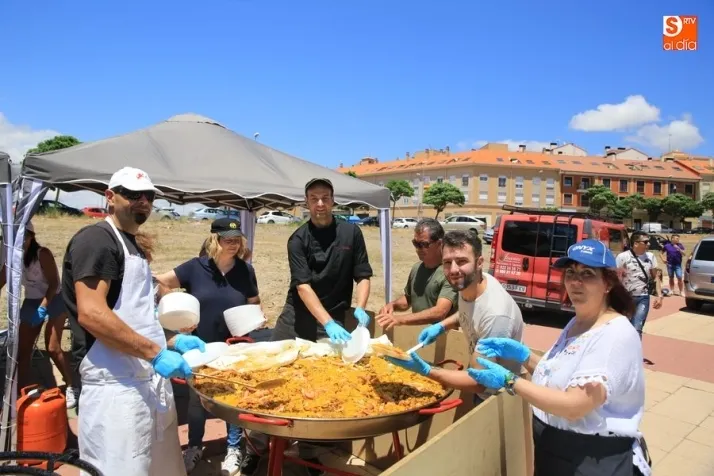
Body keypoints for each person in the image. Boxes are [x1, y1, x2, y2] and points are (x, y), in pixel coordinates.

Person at [61, 167, 206, 476]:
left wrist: (171, 340)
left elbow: (134, 316)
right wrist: (155, 354)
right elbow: (92, 313)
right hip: (115, 390)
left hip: (146, 384)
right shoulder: (97, 240)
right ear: (110, 197)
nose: (143, 201)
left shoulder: (133, 246)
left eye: (149, 196)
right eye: (132, 194)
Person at [466, 239, 650, 475]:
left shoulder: (615, 335)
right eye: (570, 273)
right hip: (557, 451)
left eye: (587, 274)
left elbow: (574, 406)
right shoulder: (578, 322)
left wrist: (510, 380)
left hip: (590, 460)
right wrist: (524, 356)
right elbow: (557, 376)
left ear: (608, 283)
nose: (575, 282)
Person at [241, 177, 373, 476]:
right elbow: (302, 286)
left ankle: (310, 452)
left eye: (325, 198)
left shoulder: (351, 233)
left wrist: (361, 307)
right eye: (314, 199)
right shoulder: (297, 239)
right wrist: (327, 322)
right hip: (296, 317)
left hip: (334, 316)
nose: (320, 204)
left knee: (321, 384)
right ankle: (256, 448)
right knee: (274, 377)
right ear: (306, 203)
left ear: (333, 200)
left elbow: (363, 274)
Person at [154, 217, 267, 475]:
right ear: (215, 240)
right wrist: (174, 313)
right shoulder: (195, 268)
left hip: (233, 345)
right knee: (197, 400)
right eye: (227, 240)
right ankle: (194, 446)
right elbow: (160, 282)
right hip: (199, 345)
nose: (233, 244)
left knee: (231, 399)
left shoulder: (245, 270)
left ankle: (233, 448)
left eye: (237, 240)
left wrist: (257, 316)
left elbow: (254, 300)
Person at [386, 230, 524, 404]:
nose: (453, 270)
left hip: (497, 399)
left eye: (461, 261)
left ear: (479, 262)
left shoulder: (496, 315)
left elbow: (479, 382)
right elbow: (469, 312)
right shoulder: (471, 283)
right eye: (447, 262)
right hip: (482, 384)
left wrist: (427, 370)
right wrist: (442, 326)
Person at [0, 221, 77, 408]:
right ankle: (21, 391)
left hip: (55, 298)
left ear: (31, 237)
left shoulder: (42, 254)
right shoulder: (12, 256)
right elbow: (2, 279)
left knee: (53, 347)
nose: (20, 240)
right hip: (32, 300)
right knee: (22, 349)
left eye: (24, 236)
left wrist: (42, 308)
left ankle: (72, 386)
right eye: (16, 237)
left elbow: (54, 283)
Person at [376, 218, 458, 331]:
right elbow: (408, 299)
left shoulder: (449, 273)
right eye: (415, 243)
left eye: (423, 244)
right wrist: (392, 305)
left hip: (442, 336)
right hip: (418, 333)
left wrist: (400, 319)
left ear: (439, 244)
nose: (418, 249)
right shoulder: (417, 268)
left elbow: (440, 312)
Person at [616, 231, 662, 338]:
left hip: (643, 298)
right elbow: (616, 278)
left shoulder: (650, 256)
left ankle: (635, 348)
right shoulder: (623, 257)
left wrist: (659, 296)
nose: (648, 244)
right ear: (636, 243)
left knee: (637, 329)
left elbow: (655, 277)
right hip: (626, 298)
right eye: (645, 242)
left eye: (648, 242)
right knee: (624, 329)